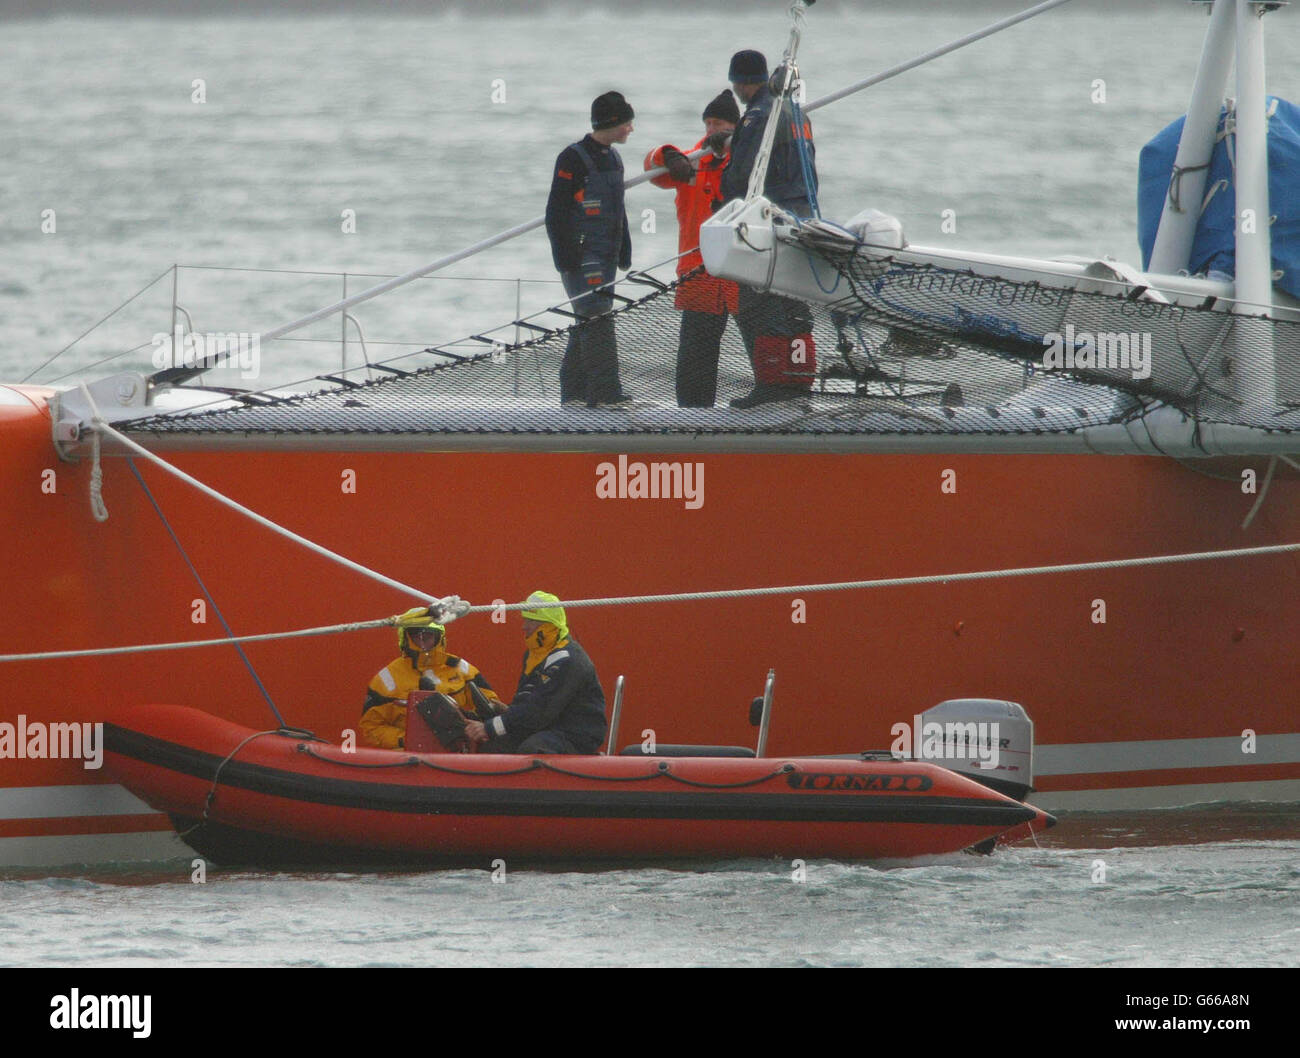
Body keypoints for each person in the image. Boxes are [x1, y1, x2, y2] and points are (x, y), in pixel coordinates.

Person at [718, 50, 819, 409]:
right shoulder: (797, 113)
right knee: (795, 305)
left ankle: (771, 386)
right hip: (802, 219)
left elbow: (743, 178)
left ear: (743, 82)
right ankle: (800, 383)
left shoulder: (758, 117)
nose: (736, 93)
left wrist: (722, 182)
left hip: (768, 223)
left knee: (758, 305)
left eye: (735, 85)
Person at [643, 91, 742, 407]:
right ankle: (693, 414)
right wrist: (668, 154)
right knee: (695, 352)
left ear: (736, 127)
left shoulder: (746, 162)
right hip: (698, 271)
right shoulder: (689, 162)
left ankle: (771, 399)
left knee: (760, 340)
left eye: (720, 123)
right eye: (709, 123)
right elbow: (651, 166)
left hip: (743, 270)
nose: (712, 129)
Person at [546, 91, 636, 408]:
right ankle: (606, 394)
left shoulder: (613, 157)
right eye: (627, 122)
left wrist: (625, 247)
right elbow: (555, 212)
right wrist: (565, 256)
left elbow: (619, 209)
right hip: (581, 256)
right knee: (596, 316)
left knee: (588, 316)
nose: (631, 129)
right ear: (612, 123)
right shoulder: (572, 158)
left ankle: (573, 393)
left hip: (607, 254)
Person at [464, 591, 607, 755]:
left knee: (533, 750)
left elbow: (540, 710)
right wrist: (506, 712)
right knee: (494, 747)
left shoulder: (568, 660)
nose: (524, 626)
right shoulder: (536, 655)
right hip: (548, 728)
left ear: (546, 625)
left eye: (530, 620)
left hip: (576, 734)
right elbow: (530, 704)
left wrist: (489, 728)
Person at [360, 608, 501, 750]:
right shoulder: (387, 679)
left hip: (461, 752)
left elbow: (491, 708)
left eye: (428, 636)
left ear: (439, 638)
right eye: (417, 637)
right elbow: (371, 727)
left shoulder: (463, 670)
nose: (423, 642)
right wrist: (407, 739)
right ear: (406, 639)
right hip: (411, 758)